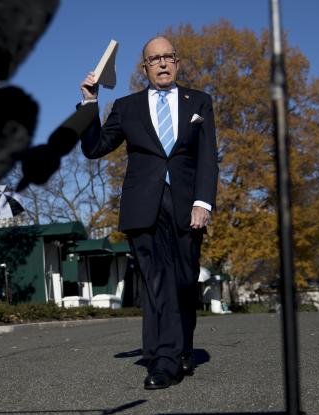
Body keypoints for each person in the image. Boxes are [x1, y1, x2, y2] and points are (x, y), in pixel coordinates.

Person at [79, 36, 218, 390]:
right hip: (144, 206)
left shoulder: (199, 101)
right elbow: (95, 148)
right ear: (144, 68)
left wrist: (204, 202)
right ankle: (163, 361)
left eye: (167, 56)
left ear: (177, 61)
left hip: (187, 206)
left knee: (185, 282)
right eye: (154, 59)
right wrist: (89, 103)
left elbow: (207, 158)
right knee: (158, 284)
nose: (161, 63)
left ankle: (182, 349)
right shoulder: (127, 107)